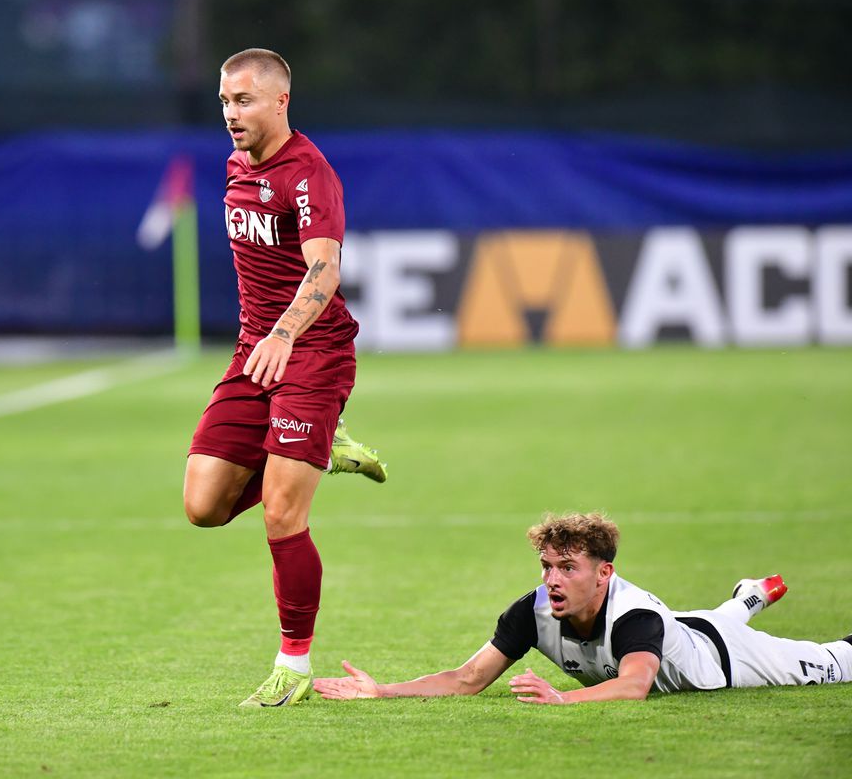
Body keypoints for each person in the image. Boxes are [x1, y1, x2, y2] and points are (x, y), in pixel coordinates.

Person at [182, 48, 387, 708]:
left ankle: (292, 665)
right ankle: (318, 450)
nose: (230, 114)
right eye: (223, 102)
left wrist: (284, 333)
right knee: (204, 506)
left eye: (243, 101)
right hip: (254, 353)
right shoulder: (236, 166)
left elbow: (324, 272)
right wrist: (263, 338)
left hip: (312, 352)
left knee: (280, 511)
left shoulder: (310, 173)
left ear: (280, 102)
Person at [314, 512, 852, 704]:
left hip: (727, 657)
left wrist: (562, 701)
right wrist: (381, 689)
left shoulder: (632, 616)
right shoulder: (533, 610)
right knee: (702, 620)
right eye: (547, 565)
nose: (552, 579)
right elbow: (466, 679)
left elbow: (635, 684)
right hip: (686, 629)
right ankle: (746, 598)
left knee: (836, 664)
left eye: (567, 567)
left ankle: (744, 608)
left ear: (604, 573)